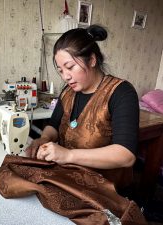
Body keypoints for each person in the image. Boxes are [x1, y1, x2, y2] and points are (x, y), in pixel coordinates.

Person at [25, 24, 139, 189]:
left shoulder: (121, 92)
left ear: (92, 60)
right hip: (68, 178)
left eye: (70, 67)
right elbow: (53, 125)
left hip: (103, 187)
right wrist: (44, 139)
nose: (66, 76)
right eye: (61, 70)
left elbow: (126, 155)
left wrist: (69, 155)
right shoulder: (68, 92)